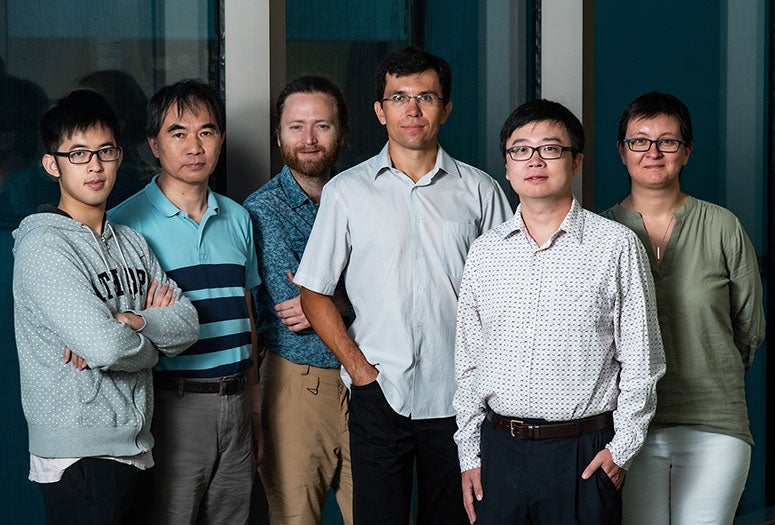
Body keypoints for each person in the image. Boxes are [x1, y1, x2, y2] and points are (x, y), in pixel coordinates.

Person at [294, 47, 512, 524]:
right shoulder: (346, 192)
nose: (412, 110)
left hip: (462, 400)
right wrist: (361, 372)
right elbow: (313, 292)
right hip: (380, 393)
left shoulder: (482, 191)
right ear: (380, 110)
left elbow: (511, 294)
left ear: (446, 108)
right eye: (399, 98)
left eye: (426, 97)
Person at [453, 99, 666, 524]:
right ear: (507, 166)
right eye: (521, 150)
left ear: (576, 162)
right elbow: (468, 363)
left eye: (551, 149)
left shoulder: (616, 245)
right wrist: (469, 455)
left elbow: (643, 360)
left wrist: (620, 450)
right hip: (499, 451)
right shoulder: (485, 252)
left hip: (583, 454)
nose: (535, 160)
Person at [12, 89, 199, 524]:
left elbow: (187, 324)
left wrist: (131, 320)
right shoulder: (44, 247)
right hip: (78, 452)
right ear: (51, 164)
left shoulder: (132, 243)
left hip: (136, 447)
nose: (94, 165)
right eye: (77, 153)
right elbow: (106, 347)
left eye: (105, 151)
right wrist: (149, 345)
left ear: (119, 157)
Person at [602, 92, 766, 525]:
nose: (653, 152)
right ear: (622, 151)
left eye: (668, 141)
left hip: (716, 422)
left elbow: (749, 328)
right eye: (639, 140)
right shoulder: (599, 234)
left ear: (687, 151)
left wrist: (711, 365)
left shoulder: (723, 226)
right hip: (628, 432)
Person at [109, 79, 262, 524]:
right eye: (178, 133)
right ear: (154, 144)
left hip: (236, 402)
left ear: (221, 140)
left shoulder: (238, 217)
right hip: (171, 406)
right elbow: (117, 327)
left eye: (207, 131)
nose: (194, 146)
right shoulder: (125, 224)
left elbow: (246, 313)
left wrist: (254, 408)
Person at [243, 76, 353, 524]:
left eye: (322, 126)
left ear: (343, 133)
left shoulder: (366, 196)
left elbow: (400, 293)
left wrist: (333, 302)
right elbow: (295, 307)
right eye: (295, 126)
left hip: (373, 382)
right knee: (294, 519)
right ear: (278, 135)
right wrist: (345, 297)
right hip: (299, 384)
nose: (308, 139)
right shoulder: (262, 210)